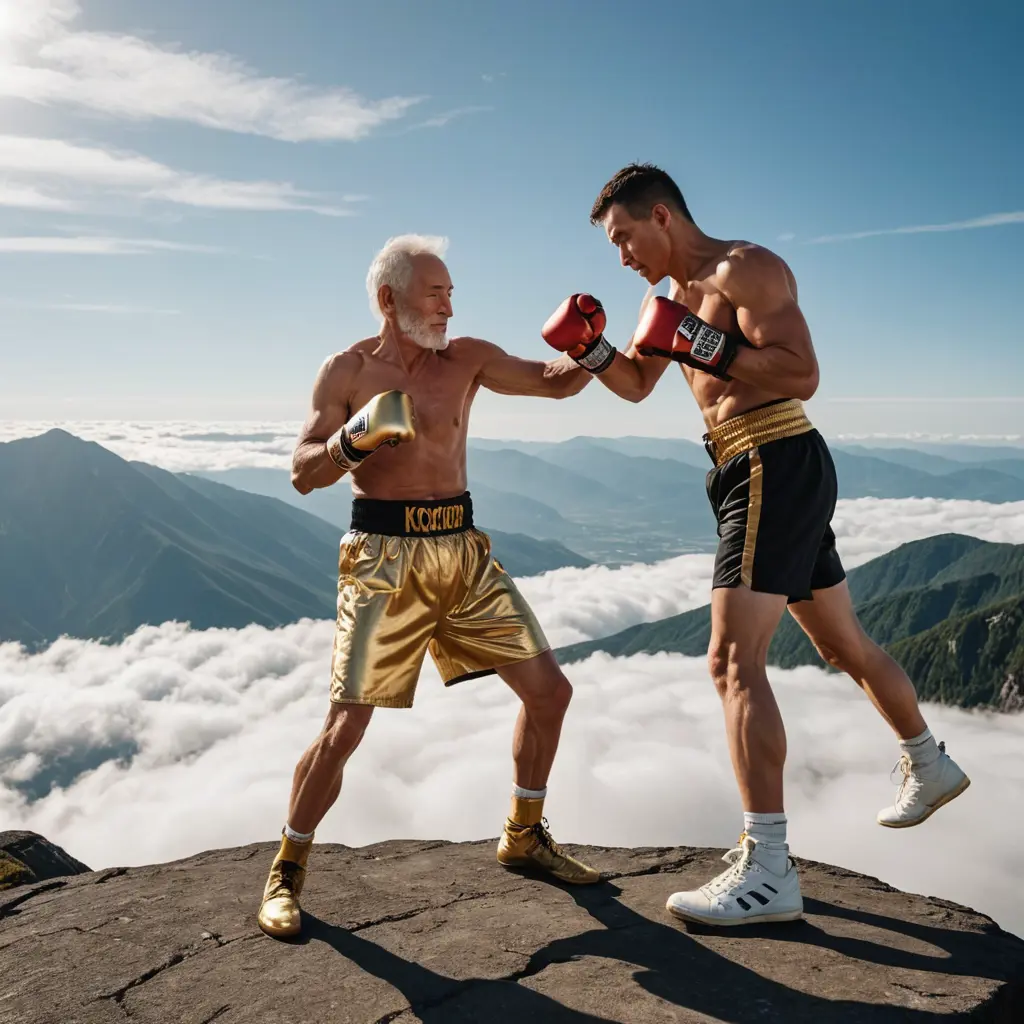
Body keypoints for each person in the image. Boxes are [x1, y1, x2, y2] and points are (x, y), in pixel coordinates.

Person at [540, 163, 970, 927]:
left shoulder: (745, 269)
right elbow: (639, 384)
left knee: (731, 662)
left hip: (773, 457)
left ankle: (769, 869)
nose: (622, 256)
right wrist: (595, 350)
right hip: (745, 466)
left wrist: (704, 343)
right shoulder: (664, 300)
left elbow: (801, 373)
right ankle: (929, 762)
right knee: (840, 642)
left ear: (662, 216)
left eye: (624, 237)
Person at [256, 234, 602, 940]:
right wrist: (354, 439)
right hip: (384, 560)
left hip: (462, 553)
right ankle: (286, 871)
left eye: (450, 292)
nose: (448, 305)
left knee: (550, 693)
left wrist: (597, 348)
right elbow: (302, 473)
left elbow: (554, 381)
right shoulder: (347, 370)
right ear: (390, 299)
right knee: (346, 727)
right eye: (434, 293)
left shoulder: (466, 358)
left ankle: (523, 833)